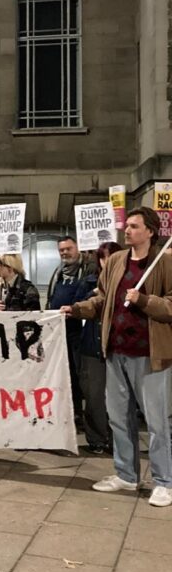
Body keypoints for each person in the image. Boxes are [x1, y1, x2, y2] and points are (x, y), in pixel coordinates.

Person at [65, 207, 172, 506]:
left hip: (150, 355)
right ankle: (126, 474)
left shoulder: (165, 262)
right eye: (127, 225)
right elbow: (103, 299)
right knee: (119, 418)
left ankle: (164, 481)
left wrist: (145, 300)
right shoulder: (115, 261)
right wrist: (78, 309)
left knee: (157, 421)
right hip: (115, 352)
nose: (127, 230)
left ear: (150, 231)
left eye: (135, 226)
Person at [47, 236, 95, 429]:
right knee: (67, 374)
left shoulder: (88, 270)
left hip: (80, 331)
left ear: (77, 248)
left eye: (68, 248)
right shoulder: (58, 272)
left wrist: (75, 309)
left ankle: (89, 418)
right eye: (61, 250)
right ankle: (73, 412)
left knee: (82, 375)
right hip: (60, 331)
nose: (65, 253)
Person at [79, 241, 122, 455]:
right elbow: (77, 304)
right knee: (93, 396)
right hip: (92, 345)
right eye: (103, 257)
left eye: (111, 256)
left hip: (116, 346)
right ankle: (96, 438)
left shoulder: (128, 282)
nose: (107, 261)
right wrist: (93, 293)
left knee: (119, 398)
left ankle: (118, 440)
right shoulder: (89, 281)